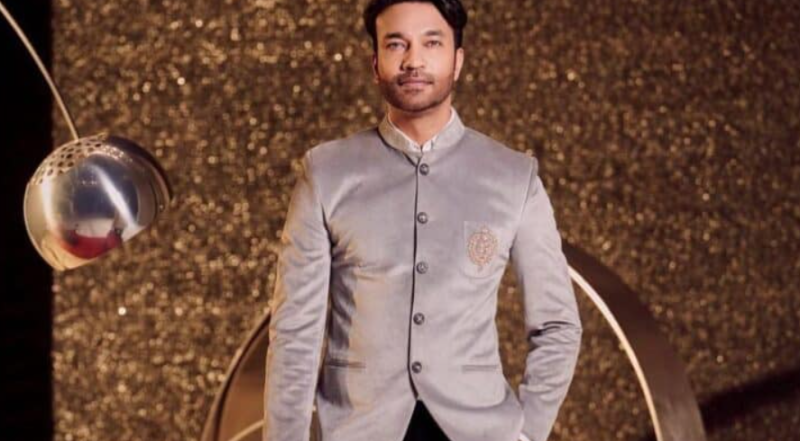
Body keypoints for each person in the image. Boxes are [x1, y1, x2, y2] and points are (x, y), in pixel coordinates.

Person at [263, 1, 583, 440]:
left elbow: (557, 326)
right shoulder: (326, 174)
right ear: (375, 64)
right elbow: (295, 332)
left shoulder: (514, 177)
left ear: (458, 60)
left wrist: (526, 432)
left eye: (432, 43)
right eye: (397, 45)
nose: (414, 60)